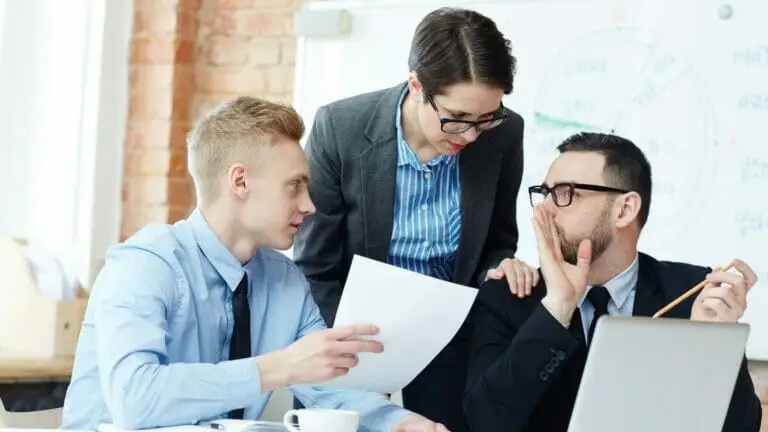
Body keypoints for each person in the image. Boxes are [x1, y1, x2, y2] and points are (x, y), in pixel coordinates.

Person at [61, 96, 449, 432]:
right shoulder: (146, 264)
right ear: (240, 181)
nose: (309, 205)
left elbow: (327, 387)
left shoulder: (286, 282)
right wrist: (278, 367)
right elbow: (135, 398)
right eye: (294, 185)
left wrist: (396, 422)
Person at [292, 8, 537, 431]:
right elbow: (317, 267)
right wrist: (344, 348)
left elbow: (497, 240)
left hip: (451, 333)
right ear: (416, 85)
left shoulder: (505, 132)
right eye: (456, 119)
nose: (470, 136)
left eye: (485, 118)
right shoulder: (341, 128)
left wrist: (502, 267)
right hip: (355, 333)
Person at [463, 132, 763, 432]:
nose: (545, 210)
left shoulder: (691, 292)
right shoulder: (509, 294)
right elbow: (484, 422)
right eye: (544, 193)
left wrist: (714, 348)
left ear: (625, 210)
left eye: (565, 193)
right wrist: (556, 309)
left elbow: (743, 427)